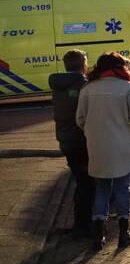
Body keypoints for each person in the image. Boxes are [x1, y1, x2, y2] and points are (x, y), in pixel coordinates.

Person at [76, 52, 130, 250]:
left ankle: (98, 236)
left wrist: (93, 132)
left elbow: (80, 119)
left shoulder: (87, 89)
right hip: (123, 146)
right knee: (124, 188)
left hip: (98, 147)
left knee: (101, 189)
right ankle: (124, 233)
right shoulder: (127, 88)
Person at [48, 49, 93, 239]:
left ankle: (80, 223)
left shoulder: (59, 84)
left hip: (65, 140)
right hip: (80, 140)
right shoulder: (83, 85)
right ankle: (84, 226)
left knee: (81, 182)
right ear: (83, 64)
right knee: (87, 184)